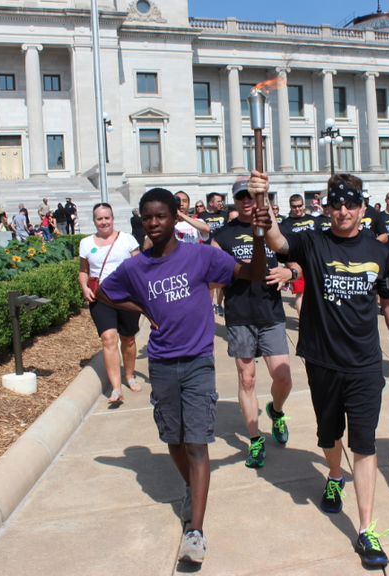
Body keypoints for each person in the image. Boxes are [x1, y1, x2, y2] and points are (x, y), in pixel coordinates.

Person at [97, 186, 269, 564]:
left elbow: (254, 273)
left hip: (197, 362)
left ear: (176, 218)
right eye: (148, 217)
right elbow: (104, 291)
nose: (154, 223)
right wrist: (140, 307)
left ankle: (196, 531)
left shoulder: (200, 256)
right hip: (161, 363)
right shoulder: (136, 266)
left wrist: (258, 236)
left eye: (161, 216)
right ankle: (193, 488)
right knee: (173, 438)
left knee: (197, 442)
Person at [256, 171, 389, 567]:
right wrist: (263, 200)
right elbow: (276, 240)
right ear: (326, 207)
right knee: (329, 435)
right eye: (336, 204)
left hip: (364, 364)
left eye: (350, 205)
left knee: (365, 441)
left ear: (362, 208)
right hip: (322, 360)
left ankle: (366, 530)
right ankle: (335, 475)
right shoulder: (312, 242)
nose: (343, 211)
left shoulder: (380, 253)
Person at [212, 178, 295, 468]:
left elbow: (296, 259)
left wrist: (289, 273)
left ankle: (276, 410)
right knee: (247, 379)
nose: (246, 201)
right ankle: (255, 439)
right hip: (240, 316)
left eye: (251, 196)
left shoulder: (273, 229)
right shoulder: (223, 235)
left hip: (271, 312)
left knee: (283, 378)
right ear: (234, 201)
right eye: (240, 197)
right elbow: (212, 270)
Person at [79, 203, 142, 403]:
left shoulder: (127, 240)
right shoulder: (86, 243)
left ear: (113, 218)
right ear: (94, 221)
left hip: (127, 297)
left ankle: (129, 376)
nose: (104, 222)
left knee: (128, 339)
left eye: (107, 218)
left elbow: (140, 265)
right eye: (99, 219)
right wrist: (84, 287)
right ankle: (116, 388)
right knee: (108, 339)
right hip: (101, 297)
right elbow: (83, 271)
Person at [279, 194, 317, 316]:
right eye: (294, 206)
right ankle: (304, 322)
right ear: (290, 207)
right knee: (300, 293)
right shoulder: (285, 224)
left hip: (314, 262)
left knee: (315, 292)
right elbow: (283, 247)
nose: (297, 209)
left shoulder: (314, 220)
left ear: (303, 204)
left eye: (300, 206)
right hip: (297, 262)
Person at [198, 192, 228, 316]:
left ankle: (219, 304)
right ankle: (209, 304)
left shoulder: (224, 215)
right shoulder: (203, 215)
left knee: (221, 280)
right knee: (209, 280)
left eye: (222, 201)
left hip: (222, 251)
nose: (221, 203)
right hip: (207, 251)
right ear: (211, 203)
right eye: (218, 201)